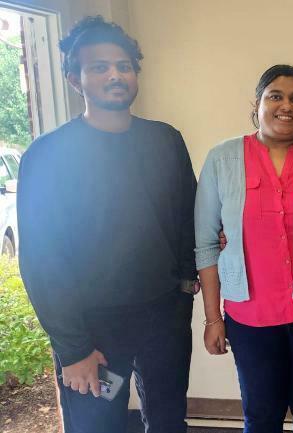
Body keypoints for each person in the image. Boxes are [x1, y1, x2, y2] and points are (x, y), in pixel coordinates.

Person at [18, 16, 196, 433]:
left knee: (169, 420)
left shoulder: (165, 140)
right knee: (98, 426)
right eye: (99, 67)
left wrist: (186, 288)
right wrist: (73, 347)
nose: (115, 75)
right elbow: (42, 260)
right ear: (74, 79)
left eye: (124, 65)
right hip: (91, 327)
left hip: (163, 317)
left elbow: (187, 217)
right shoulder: (47, 156)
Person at [194, 64, 293, 433]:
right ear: (258, 103)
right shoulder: (222, 159)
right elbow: (205, 245)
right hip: (249, 319)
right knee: (261, 416)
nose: (287, 105)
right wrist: (213, 319)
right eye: (275, 96)